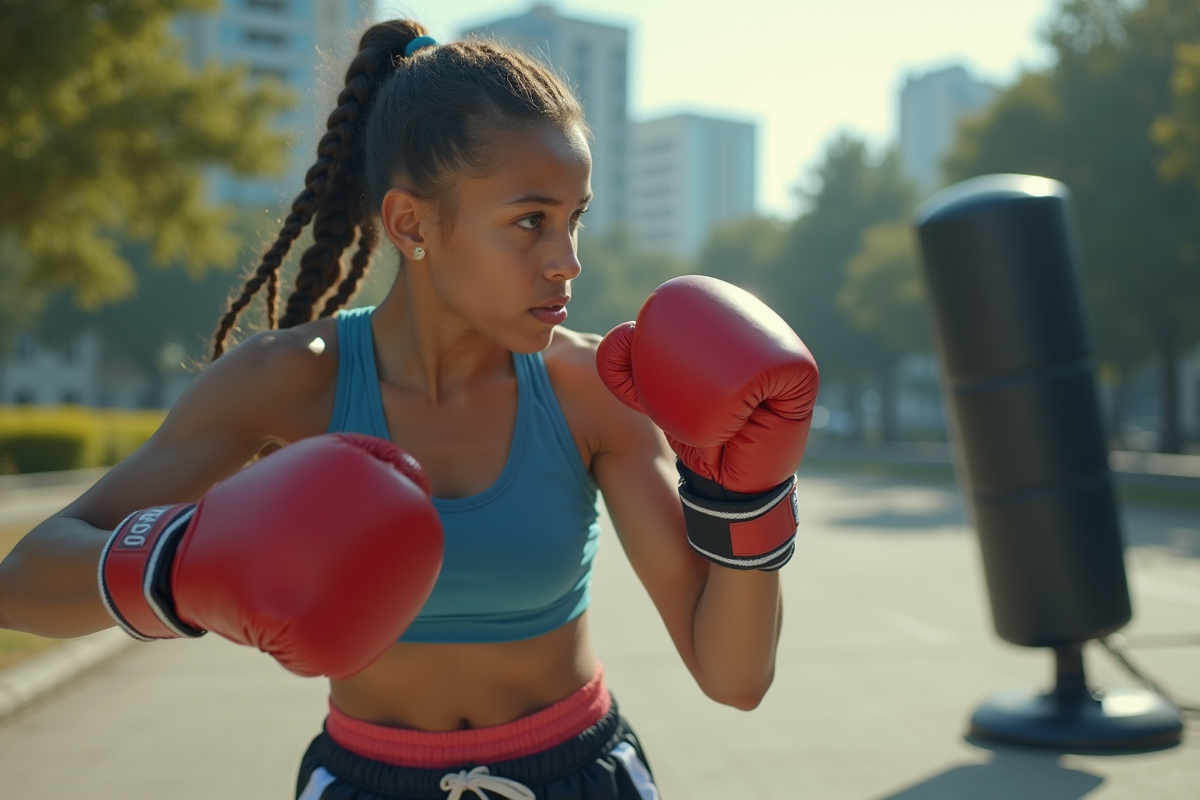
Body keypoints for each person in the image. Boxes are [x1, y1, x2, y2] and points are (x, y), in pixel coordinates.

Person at [0, 19, 819, 800]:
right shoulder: (293, 382)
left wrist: (743, 503)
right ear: (410, 222)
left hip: (577, 776)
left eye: (574, 220)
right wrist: (174, 567)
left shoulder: (592, 387)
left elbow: (734, 678)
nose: (566, 261)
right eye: (530, 221)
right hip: (363, 782)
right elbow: (25, 580)